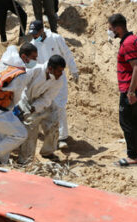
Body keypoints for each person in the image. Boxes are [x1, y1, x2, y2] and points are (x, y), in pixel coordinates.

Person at [0, 43, 38, 164]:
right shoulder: (20, 74)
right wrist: (11, 111)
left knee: (3, 139)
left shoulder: (3, 61)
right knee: (20, 134)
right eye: (34, 58)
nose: (35, 60)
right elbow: (16, 98)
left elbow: (11, 47)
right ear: (25, 57)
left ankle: (0, 164)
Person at [29, 20, 79, 149]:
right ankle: (49, 135)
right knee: (44, 105)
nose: (34, 36)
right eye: (32, 34)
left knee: (60, 106)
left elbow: (67, 54)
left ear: (42, 30)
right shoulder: (33, 44)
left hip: (58, 77)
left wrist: (74, 70)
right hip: (44, 79)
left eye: (36, 33)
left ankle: (62, 137)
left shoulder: (56, 38)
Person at [108, 13, 137, 166]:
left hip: (131, 90)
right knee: (135, 119)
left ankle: (132, 156)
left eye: (111, 28)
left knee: (125, 122)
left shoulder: (128, 44)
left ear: (118, 28)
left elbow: (136, 67)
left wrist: (131, 91)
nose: (110, 31)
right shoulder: (134, 39)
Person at [17, 54, 65, 164]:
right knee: (30, 128)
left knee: (53, 123)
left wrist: (35, 108)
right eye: (59, 71)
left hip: (45, 103)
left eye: (62, 71)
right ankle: (26, 159)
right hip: (26, 101)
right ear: (50, 69)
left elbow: (47, 98)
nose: (61, 74)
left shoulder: (59, 80)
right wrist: (25, 108)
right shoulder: (34, 70)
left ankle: (48, 152)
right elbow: (21, 87)